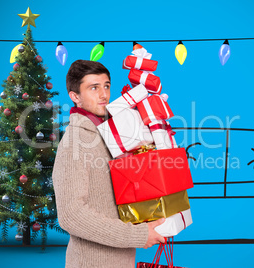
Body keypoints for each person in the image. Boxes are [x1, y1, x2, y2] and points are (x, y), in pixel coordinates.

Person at [52, 60, 165, 268]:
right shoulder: (74, 143)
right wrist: (137, 235)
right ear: (75, 96)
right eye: (93, 88)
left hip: (122, 260)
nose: (104, 94)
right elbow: (71, 215)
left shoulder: (112, 134)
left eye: (106, 86)